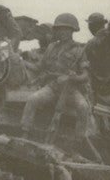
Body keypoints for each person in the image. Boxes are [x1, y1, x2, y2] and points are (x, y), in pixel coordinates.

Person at [19, 13, 93, 143]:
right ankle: (24, 134)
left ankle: (77, 142)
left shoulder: (79, 50)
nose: (63, 32)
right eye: (60, 29)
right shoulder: (51, 47)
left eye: (67, 29)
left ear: (72, 31)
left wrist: (71, 78)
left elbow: (85, 76)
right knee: (33, 99)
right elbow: (39, 67)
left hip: (70, 90)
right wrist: (21, 61)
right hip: (53, 87)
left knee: (83, 107)